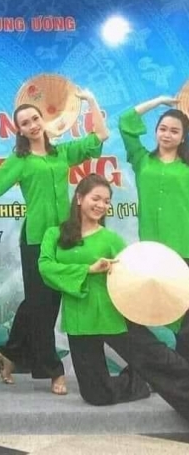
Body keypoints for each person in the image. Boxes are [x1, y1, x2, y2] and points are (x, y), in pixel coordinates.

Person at [0, 90, 108, 395]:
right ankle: (52, 370)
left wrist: (91, 101)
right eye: (25, 123)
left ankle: (9, 352)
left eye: (35, 119)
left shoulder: (61, 153)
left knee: (41, 302)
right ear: (19, 130)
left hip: (66, 238)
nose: (32, 125)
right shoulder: (20, 160)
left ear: (43, 120)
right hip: (36, 240)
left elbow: (99, 138)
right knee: (42, 306)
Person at [38, 174, 189, 420]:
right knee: (95, 394)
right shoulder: (54, 234)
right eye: (96, 198)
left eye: (106, 201)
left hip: (113, 311)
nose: (101, 205)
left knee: (159, 361)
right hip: (80, 317)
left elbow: (133, 272)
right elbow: (45, 268)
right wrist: (88, 269)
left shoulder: (110, 239)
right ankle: (139, 382)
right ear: (79, 198)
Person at [118, 97, 189, 353]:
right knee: (146, 310)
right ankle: (155, 367)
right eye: (162, 129)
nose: (167, 135)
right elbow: (126, 121)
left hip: (184, 247)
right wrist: (158, 102)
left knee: (184, 315)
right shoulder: (142, 160)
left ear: (183, 137)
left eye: (174, 131)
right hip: (151, 250)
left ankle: (182, 368)